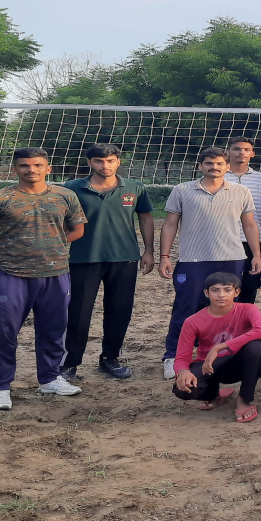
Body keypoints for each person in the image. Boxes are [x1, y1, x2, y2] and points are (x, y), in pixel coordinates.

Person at [0, 148, 87, 410]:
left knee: (54, 329)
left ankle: (50, 378)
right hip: (12, 275)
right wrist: (12, 252)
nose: (31, 170)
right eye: (24, 165)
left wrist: (53, 247)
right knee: (4, 331)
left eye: (37, 165)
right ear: (15, 169)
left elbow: (78, 229)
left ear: (48, 168)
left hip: (55, 274)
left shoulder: (65, 196)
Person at [158, 147, 261, 380]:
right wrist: (164, 256)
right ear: (200, 166)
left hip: (232, 258)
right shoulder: (182, 190)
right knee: (185, 309)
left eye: (219, 164)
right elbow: (170, 224)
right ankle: (173, 357)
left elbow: (249, 225)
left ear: (227, 166)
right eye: (209, 163)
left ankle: (225, 354)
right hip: (193, 260)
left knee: (228, 309)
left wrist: (256, 254)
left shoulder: (241, 191)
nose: (214, 167)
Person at [60, 143, 155, 381]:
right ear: (90, 162)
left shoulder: (134, 188)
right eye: (99, 161)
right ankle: (70, 362)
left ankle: (110, 358)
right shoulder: (72, 188)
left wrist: (149, 251)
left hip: (124, 258)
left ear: (118, 162)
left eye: (110, 160)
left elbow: (145, 219)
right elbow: (60, 221)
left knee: (119, 310)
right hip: (84, 258)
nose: (105, 165)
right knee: (79, 312)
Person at [172, 272, 261, 423]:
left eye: (227, 290)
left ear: (236, 292)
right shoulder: (192, 321)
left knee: (257, 348)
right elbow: (181, 357)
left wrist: (219, 347)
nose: (221, 295)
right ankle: (214, 395)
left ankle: (244, 399)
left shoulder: (247, 309)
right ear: (206, 293)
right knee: (182, 389)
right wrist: (183, 371)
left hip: (238, 363)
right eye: (215, 290)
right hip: (209, 366)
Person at [222, 137, 261, 305]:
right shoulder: (218, 175)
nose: (241, 152)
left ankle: (244, 319)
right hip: (225, 239)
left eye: (246, 149)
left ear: (252, 153)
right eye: (236, 149)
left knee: (250, 286)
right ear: (228, 152)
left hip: (252, 240)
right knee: (225, 285)